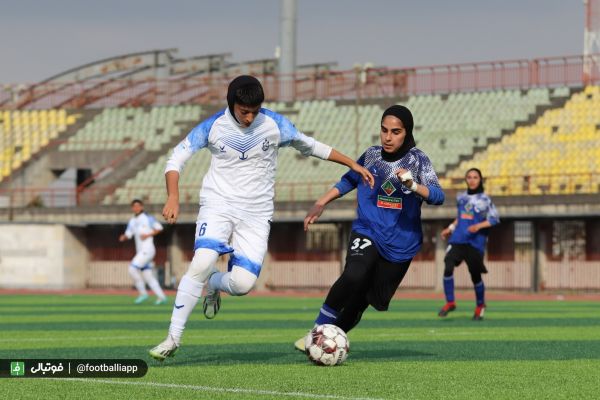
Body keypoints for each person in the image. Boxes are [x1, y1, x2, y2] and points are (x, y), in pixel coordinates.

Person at [149, 75, 375, 361]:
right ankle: (173, 338)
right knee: (202, 261)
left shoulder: (275, 125)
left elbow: (312, 145)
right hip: (218, 204)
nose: (250, 116)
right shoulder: (213, 127)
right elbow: (176, 159)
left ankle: (214, 284)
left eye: (255, 111)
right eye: (244, 111)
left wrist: (353, 163)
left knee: (242, 285)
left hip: (256, 214)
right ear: (232, 104)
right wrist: (173, 195)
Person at [294, 105, 445, 351]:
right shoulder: (371, 155)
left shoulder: (418, 160)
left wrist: (413, 185)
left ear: (407, 132)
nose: (388, 137)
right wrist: (321, 202)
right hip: (368, 230)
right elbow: (349, 180)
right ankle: (316, 334)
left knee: (361, 301)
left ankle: (330, 338)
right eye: (384, 130)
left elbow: (438, 196)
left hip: (401, 245)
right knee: (354, 274)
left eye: (395, 132)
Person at [438, 168, 499, 320]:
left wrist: (478, 226)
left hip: (475, 242)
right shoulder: (461, 197)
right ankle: (450, 302)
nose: (472, 180)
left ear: (480, 180)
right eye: (469, 177)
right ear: (466, 180)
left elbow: (494, 219)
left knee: (475, 275)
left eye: (475, 177)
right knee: (448, 264)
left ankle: (480, 305)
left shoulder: (485, 199)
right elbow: (460, 217)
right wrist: (450, 228)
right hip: (458, 239)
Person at [119, 199, 167, 305]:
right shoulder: (132, 221)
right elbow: (129, 233)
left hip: (147, 249)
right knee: (148, 276)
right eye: (134, 206)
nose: (136, 208)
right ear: (132, 208)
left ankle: (143, 293)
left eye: (138, 206)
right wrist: (124, 237)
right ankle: (162, 297)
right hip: (141, 251)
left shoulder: (148, 218)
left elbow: (159, 228)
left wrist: (148, 234)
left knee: (132, 268)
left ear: (142, 207)